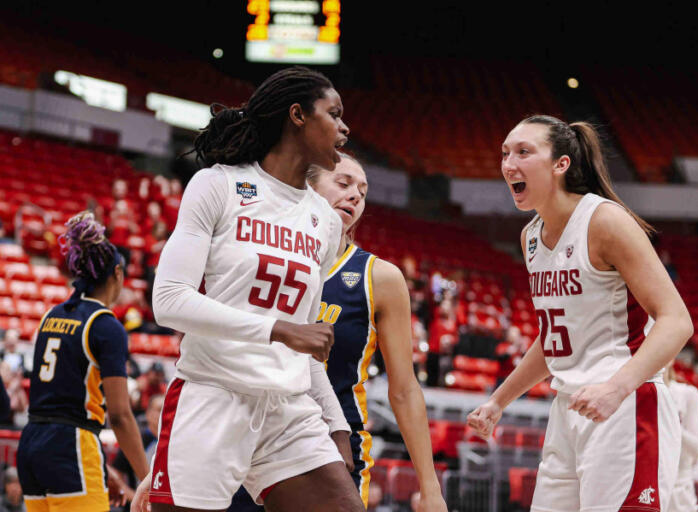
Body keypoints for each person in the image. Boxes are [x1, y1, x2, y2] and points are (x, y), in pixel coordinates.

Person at [130, 66, 364, 512]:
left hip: (288, 409)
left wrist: (334, 425)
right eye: (333, 114)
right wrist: (278, 329)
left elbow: (307, 341)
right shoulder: (217, 184)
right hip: (213, 393)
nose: (344, 127)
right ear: (297, 115)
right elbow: (169, 299)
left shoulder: (325, 221)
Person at [467, 115, 692, 511]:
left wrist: (617, 388)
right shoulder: (530, 236)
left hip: (624, 404)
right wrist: (498, 400)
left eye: (523, 152)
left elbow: (676, 320)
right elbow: (553, 338)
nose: (508, 164)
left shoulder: (604, 221)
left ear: (561, 164)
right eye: (504, 153)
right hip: (569, 407)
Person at [308, 155, 447, 511]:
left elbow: (404, 389)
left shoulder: (379, 277)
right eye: (343, 183)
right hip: (255, 433)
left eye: (362, 191)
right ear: (307, 185)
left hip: (334, 446)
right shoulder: (268, 259)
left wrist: (430, 489)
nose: (355, 195)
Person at [17, 212, 149, 511]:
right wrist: (146, 477)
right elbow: (119, 415)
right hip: (71, 446)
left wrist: (100, 470)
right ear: (117, 273)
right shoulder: (106, 325)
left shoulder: (51, 315)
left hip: (33, 444)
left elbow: (58, 402)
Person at [664, 363, 698, 512]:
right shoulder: (637, 392)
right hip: (646, 488)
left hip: (680, 493)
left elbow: (697, 448)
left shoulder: (687, 393)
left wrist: (671, 424)